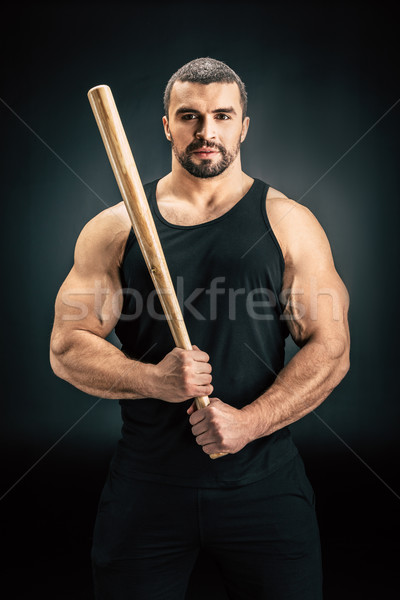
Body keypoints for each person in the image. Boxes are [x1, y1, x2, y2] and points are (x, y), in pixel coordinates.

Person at [49, 57, 350, 599]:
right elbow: (67, 347)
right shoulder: (115, 227)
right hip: (146, 487)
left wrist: (251, 423)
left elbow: (331, 349)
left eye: (222, 116)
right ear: (167, 125)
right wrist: (152, 380)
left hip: (265, 487)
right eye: (189, 116)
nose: (206, 131)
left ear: (244, 126)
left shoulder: (288, 222)